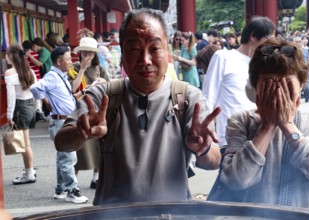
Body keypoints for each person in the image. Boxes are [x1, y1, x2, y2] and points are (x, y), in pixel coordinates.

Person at [54, 8, 221, 205]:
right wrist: (80, 133)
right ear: (122, 54)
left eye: (154, 48)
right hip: (113, 216)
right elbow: (61, 142)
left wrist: (203, 148)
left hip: (173, 213)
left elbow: (214, 160)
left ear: (167, 53)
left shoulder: (188, 97)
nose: (145, 60)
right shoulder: (103, 96)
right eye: (134, 49)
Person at [209, 38, 309, 210]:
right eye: (268, 85)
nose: (277, 92)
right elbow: (236, 179)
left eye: (286, 84)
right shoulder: (241, 121)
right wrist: (267, 125)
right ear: (256, 87)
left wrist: (287, 125)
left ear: (301, 86)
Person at [202, 16, 276, 147]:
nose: (272, 44)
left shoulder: (263, 64)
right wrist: (205, 129)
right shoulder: (223, 57)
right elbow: (208, 96)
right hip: (229, 138)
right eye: (269, 39)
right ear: (253, 36)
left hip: (258, 137)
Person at [30, 46, 88, 204]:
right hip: (61, 121)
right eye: (68, 59)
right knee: (68, 157)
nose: (71, 62)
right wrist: (44, 100)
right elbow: (35, 88)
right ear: (59, 61)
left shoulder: (59, 75)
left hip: (63, 120)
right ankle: (72, 190)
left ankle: (61, 188)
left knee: (63, 156)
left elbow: (68, 94)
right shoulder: (53, 76)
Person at [70, 36, 110, 189]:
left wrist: (103, 83)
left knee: (98, 144)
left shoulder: (101, 69)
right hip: (79, 109)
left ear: (95, 54)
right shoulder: (73, 67)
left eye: (90, 53)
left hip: (97, 109)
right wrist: (82, 69)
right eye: (84, 53)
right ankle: (72, 180)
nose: (86, 56)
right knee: (78, 145)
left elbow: (110, 88)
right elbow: (73, 89)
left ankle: (96, 177)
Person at [5, 45, 37, 184]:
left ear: (11, 56)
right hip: (30, 105)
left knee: (24, 144)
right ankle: (29, 169)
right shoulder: (29, 70)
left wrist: (9, 115)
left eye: (6, 54)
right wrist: (38, 106)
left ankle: (29, 172)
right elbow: (36, 90)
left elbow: (11, 97)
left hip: (20, 107)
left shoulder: (10, 73)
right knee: (26, 142)